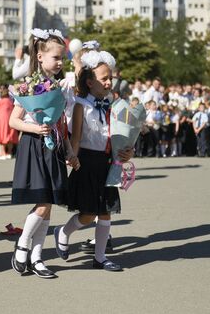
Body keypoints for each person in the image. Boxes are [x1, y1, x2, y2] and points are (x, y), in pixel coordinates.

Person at [53, 49, 133, 272]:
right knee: (88, 214)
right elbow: (76, 137)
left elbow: (120, 135)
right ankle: (63, 231)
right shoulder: (81, 105)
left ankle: (100, 257)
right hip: (87, 162)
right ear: (89, 82)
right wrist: (72, 156)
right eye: (104, 78)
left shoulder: (113, 105)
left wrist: (128, 150)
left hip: (107, 162)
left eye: (111, 77)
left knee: (105, 210)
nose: (109, 82)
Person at [9, 28, 79, 279]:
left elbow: (61, 123)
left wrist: (70, 151)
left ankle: (37, 258)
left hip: (55, 144)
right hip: (34, 144)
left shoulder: (61, 87)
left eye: (63, 58)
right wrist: (36, 127)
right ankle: (23, 244)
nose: (60, 63)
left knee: (49, 206)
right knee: (43, 204)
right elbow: (13, 121)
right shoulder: (30, 85)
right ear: (40, 56)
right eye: (55, 58)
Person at [0, 88, 18, 160]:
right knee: (10, 136)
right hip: (10, 120)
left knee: (0, 136)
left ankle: (2, 153)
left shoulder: (0, 102)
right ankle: (9, 153)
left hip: (1, 120)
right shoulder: (11, 101)